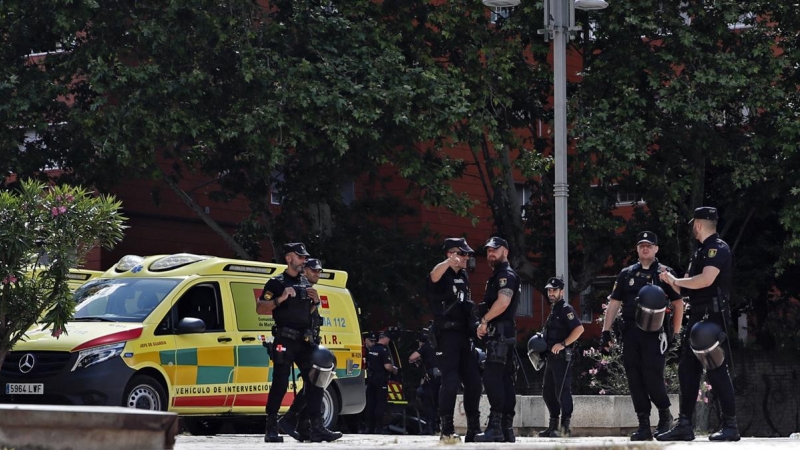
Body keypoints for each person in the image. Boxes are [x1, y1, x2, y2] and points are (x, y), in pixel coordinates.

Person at [657, 207, 740, 442]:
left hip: (711, 319)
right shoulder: (700, 251)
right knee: (687, 370)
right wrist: (668, 278)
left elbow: (706, 279)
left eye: (694, 223)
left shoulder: (717, 248)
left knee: (716, 370)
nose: (692, 227)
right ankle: (685, 424)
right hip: (697, 318)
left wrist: (675, 280)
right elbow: (684, 287)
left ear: (699, 225)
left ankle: (730, 426)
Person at [601, 231, 684, 440]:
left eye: (649, 245)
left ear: (656, 249)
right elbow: (614, 304)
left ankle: (665, 416)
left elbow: (678, 303)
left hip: (655, 334)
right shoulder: (627, 274)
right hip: (630, 332)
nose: (645, 248)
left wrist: (675, 333)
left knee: (652, 376)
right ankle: (643, 425)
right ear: (637, 249)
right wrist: (605, 331)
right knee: (634, 378)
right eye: (641, 245)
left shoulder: (666, 273)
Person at [256, 244, 341, 443]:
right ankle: (271, 428)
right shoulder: (276, 283)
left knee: (316, 379)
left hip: (304, 341)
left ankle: (314, 428)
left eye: (305, 258)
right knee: (280, 383)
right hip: (285, 339)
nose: (304, 261)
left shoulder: (306, 283)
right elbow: (260, 308)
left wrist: (316, 303)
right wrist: (280, 299)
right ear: (289, 259)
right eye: (300, 257)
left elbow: (307, 313)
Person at [426, 237, 483, 442]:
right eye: (463, 253)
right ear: (452, 254)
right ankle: (447, 430)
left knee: (474, 382)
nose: (467, 257)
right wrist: (448, 262)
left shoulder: (464, 275)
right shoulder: (442, 274)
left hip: (464, 335)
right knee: (450, 381)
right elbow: (433, 276)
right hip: (446, 335)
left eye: (467, 254)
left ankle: (473, 429)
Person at [277, 258, 336, 442]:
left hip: (308, 342)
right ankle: (304, 424)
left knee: (314, 384)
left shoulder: (310, 290)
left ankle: (299, 424)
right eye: (314, 271)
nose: (317, 274)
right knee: (315, 385)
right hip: (296, 343)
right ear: (304, 271)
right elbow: (299, 316)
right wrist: (314, 303)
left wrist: (316, 302)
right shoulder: (298, 289)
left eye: (319, 271)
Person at [474, 237, 520, 443]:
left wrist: (484, 321)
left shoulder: (505, 275)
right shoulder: (498, 275)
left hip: (500, 334)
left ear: (506, 252)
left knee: (492, 378)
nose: (490, 254)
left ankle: (496, 427)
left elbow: (503, 302)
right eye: (488, 251)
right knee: (504, 379)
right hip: (504, 334)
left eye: (495, 250)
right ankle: (506, 428)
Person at [538, 277, 585, 438]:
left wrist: (563, 344)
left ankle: (565, 427)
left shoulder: (566, 309)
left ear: (561, 292)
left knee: (562, 391)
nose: (551, 293)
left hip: (562, 358)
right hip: (551, 358)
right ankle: (553, 425)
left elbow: (579, 329)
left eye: (554, 290)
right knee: (547, 392)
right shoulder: (554, 310)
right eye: (549, 290)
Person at [364, 331, 397, 434]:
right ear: (385, 339)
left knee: (371, 404)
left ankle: (369, 428)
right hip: (381, 380)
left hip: (371, 379)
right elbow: (387, 366)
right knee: (380, 404)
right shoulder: (383, 350)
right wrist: (394, 369)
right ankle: (378, 428)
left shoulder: (371, 350)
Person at [409, 334, 440, 435]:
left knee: (428, 404)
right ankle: (436, 426)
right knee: (435, 403)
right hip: (439, 378)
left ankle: (429, 428)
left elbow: (412, 357)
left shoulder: (425, 347)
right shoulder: (437, 346)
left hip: (430, 379)